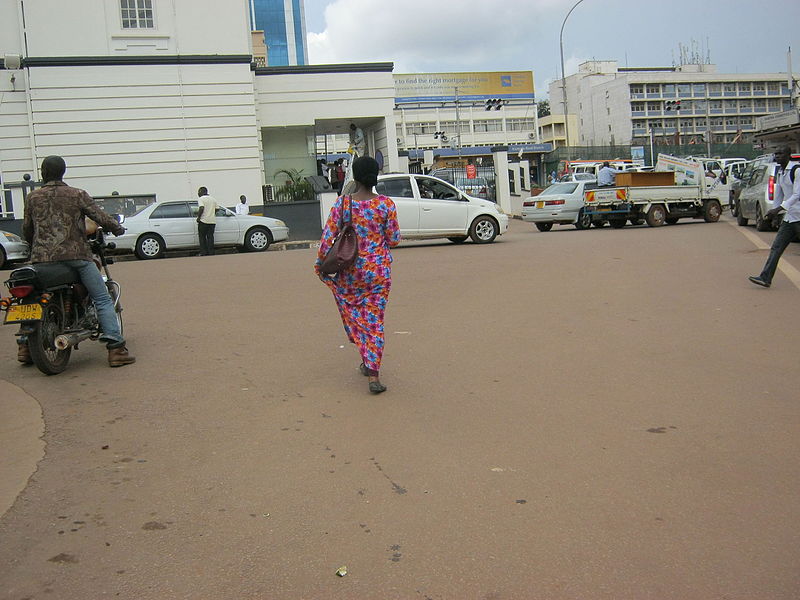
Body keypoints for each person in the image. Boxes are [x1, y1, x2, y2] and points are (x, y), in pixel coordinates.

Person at [20, 156, 135, 367]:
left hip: (41, 261)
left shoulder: (33, 198)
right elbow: (100, 217)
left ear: (43, 172)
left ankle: (26, 346)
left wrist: (37, 247)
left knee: (33, 297)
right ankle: (116, 349)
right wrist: (117, 228)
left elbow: (27, 228)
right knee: (101, 298)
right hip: (77, 258)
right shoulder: (76, 194)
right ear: (63, 172)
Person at [315, 156, 401, 394]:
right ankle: (372, 373)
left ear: (353, 175)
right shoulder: (386, 205)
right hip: (379, 273)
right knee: (374, 321)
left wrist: (320, 265)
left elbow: (327, 238)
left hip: (349, 272)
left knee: (354, 315)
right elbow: (393, 239)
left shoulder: (343, 204)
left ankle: (367, 357)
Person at [748, 146, 800, 288]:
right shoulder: (780, 172)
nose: (777, 156)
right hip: (790, 218)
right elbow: (779, 194)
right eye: (776, 154)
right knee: (776, 247)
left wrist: (779, 209)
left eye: (780, 153)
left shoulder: (796, 171)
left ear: (789, 155)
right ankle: (765, 277)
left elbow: (797, 194)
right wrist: (774, 214)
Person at [196, 186, 218, 256]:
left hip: (203, 221)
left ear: (202, 192)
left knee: (202, 237)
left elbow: (201, 208)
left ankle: (203, 252)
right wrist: (211, 213)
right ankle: (211, 252)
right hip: (212, 221)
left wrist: (198, 217)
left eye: (199, 192)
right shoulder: (213, 199)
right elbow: (217, 209)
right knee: (210, 237)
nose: (198, 193)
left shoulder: (201, 199)